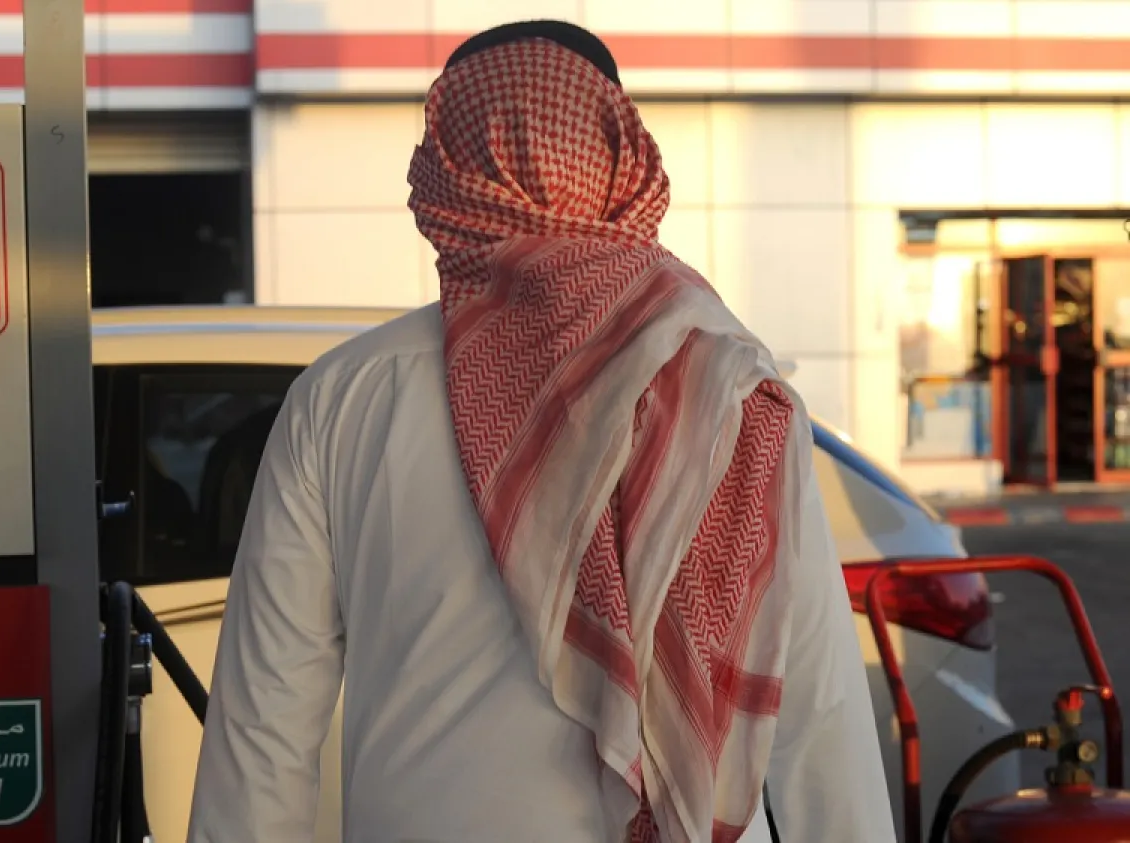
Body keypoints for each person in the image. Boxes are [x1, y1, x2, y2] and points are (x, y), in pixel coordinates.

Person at [186, 20, 894, 843]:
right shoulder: (729, 385)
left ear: (441, 177)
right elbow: (818, 715)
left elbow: (262, 735)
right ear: (618, 157)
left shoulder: (341, 399)